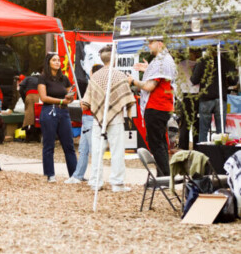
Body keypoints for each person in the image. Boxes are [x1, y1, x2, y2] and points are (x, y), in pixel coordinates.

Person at [81, 47, 136, 191]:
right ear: (114, 59)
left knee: (97, 151)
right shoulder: (120, 76)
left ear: (102, 58)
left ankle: (95, 182)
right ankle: (117, 183)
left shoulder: (95, 77)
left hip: (97, 119)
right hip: (116, 117)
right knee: (117, 151)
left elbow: (86, 101)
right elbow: (128, 98)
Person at [130, 39, 176, 176]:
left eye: (151, 42)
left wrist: (132, 81)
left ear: (160, 43)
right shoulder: (165, 60)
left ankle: (164, 176)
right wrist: (148, 69)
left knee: (156, 143)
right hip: (163, 106)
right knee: (160, 142)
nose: (148, 45)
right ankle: (164, 175)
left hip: (156, 106)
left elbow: (149, 86)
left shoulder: (161, 62)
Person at [37, 52, 78, 183]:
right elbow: (43, 97)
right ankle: (50, 174)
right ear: (48, 62)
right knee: (49, 144)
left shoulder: (64, 78)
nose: (57, 62)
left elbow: (69, 97)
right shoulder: (43, 78)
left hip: (64, 112)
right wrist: (61, 101)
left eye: (59, 60)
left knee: (69, 144)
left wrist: (70, 98)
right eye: (54, 60)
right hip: (49, 111)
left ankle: (74, 174)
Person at [65, 63, 104, 184]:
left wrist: (84, 103)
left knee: (92, 149)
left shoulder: (96, 86)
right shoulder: (94, 86)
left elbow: (92, 103)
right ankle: (78, 175)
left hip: (90, 118)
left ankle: (95, 177)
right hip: (87, 118)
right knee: (83, 149)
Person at [190, 49, 238, 142]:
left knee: (203, 130)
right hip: (220, 98)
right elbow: (234, 81)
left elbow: (194, 80)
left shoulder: (202, 62)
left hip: (206, 98)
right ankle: (220, 153)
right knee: (221, 131)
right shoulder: (226, 62)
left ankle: (203, 152)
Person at [176, 49, 200, 149]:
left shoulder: (181, 64)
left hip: (187, 95)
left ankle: (183, 148)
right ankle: (195, 148)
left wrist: (179, 96)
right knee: (195, 124)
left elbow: (177, 80)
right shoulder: (200, 64)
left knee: (186, 124)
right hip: (195, 95)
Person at [19, 71, 41, 142]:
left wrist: (24, 98)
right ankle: (37, 136)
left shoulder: (28, 78)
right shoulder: (42, 79)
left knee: (28, 116)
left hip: (29, 96)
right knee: (37, 116)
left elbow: (21, 88)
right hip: (39, 97)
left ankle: (28, 137)